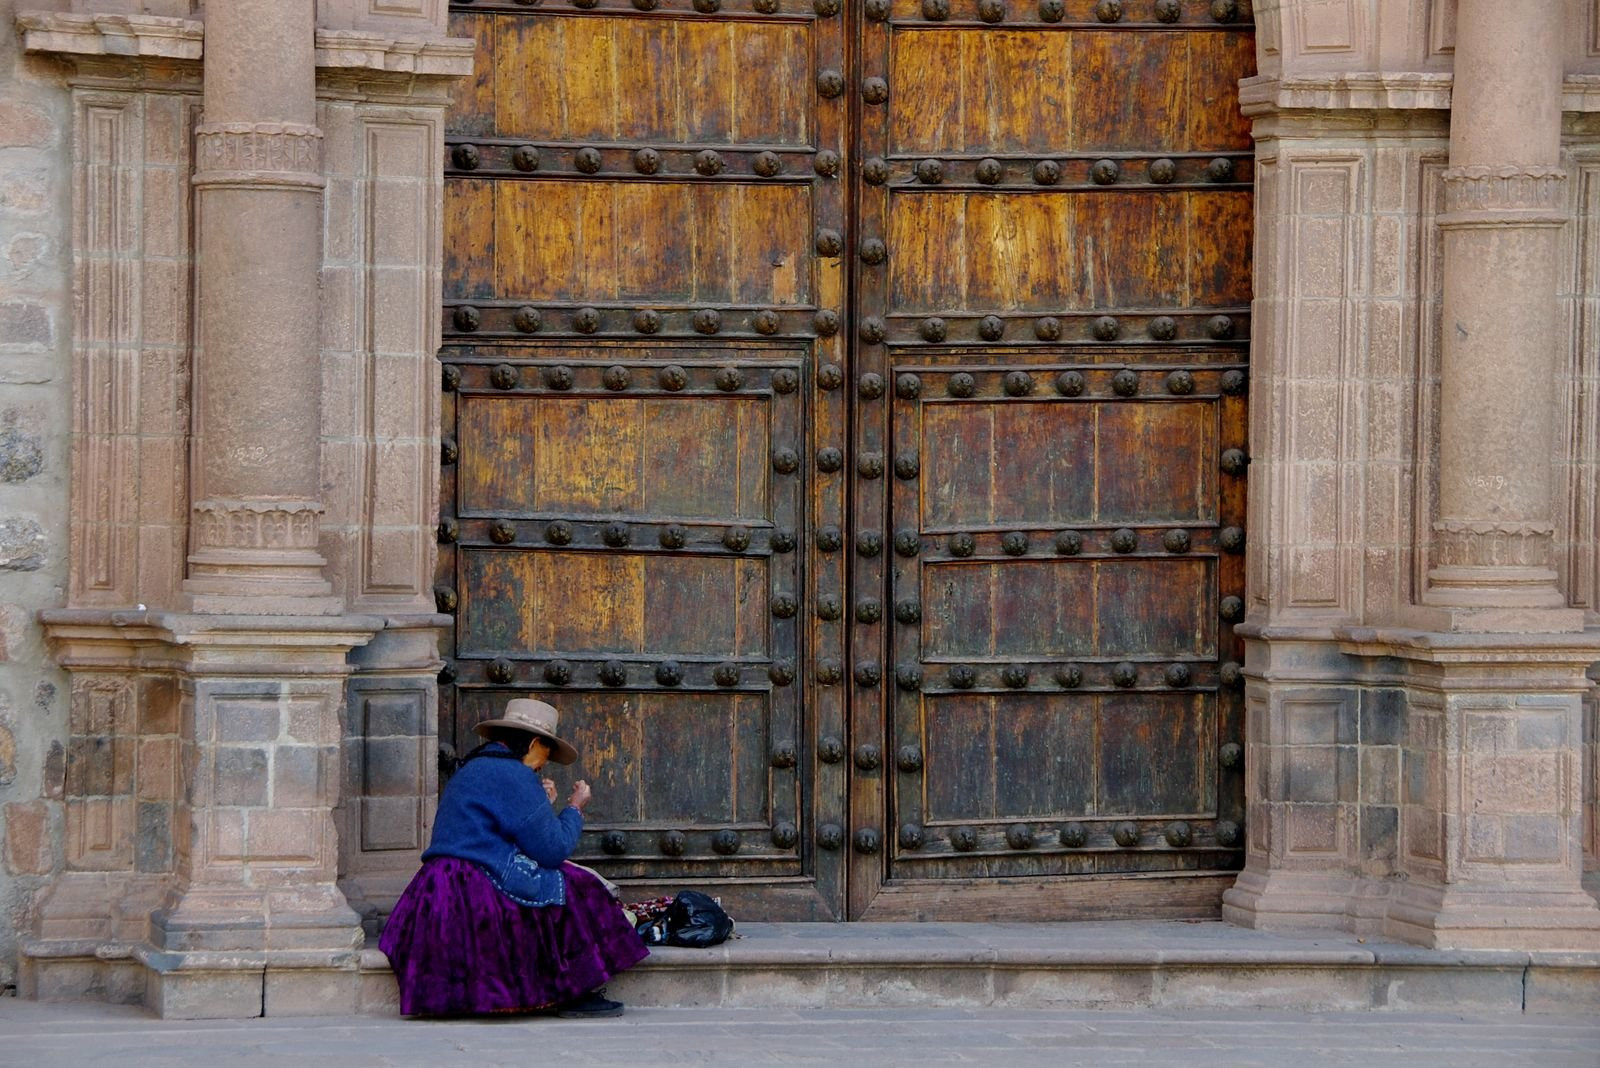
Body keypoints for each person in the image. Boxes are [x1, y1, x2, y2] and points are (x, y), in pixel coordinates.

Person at [379, 698, 648, 1017]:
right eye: (547, 752)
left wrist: (540, 803)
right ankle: (573, 992)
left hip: (439, 884)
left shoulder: (474, 767)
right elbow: (551, 850)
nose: (545, 763)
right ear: (535, 742)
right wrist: (574, 807)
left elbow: (509, 828)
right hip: (476, 884)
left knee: (559, 882)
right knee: (576, 886)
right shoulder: (514, 775)